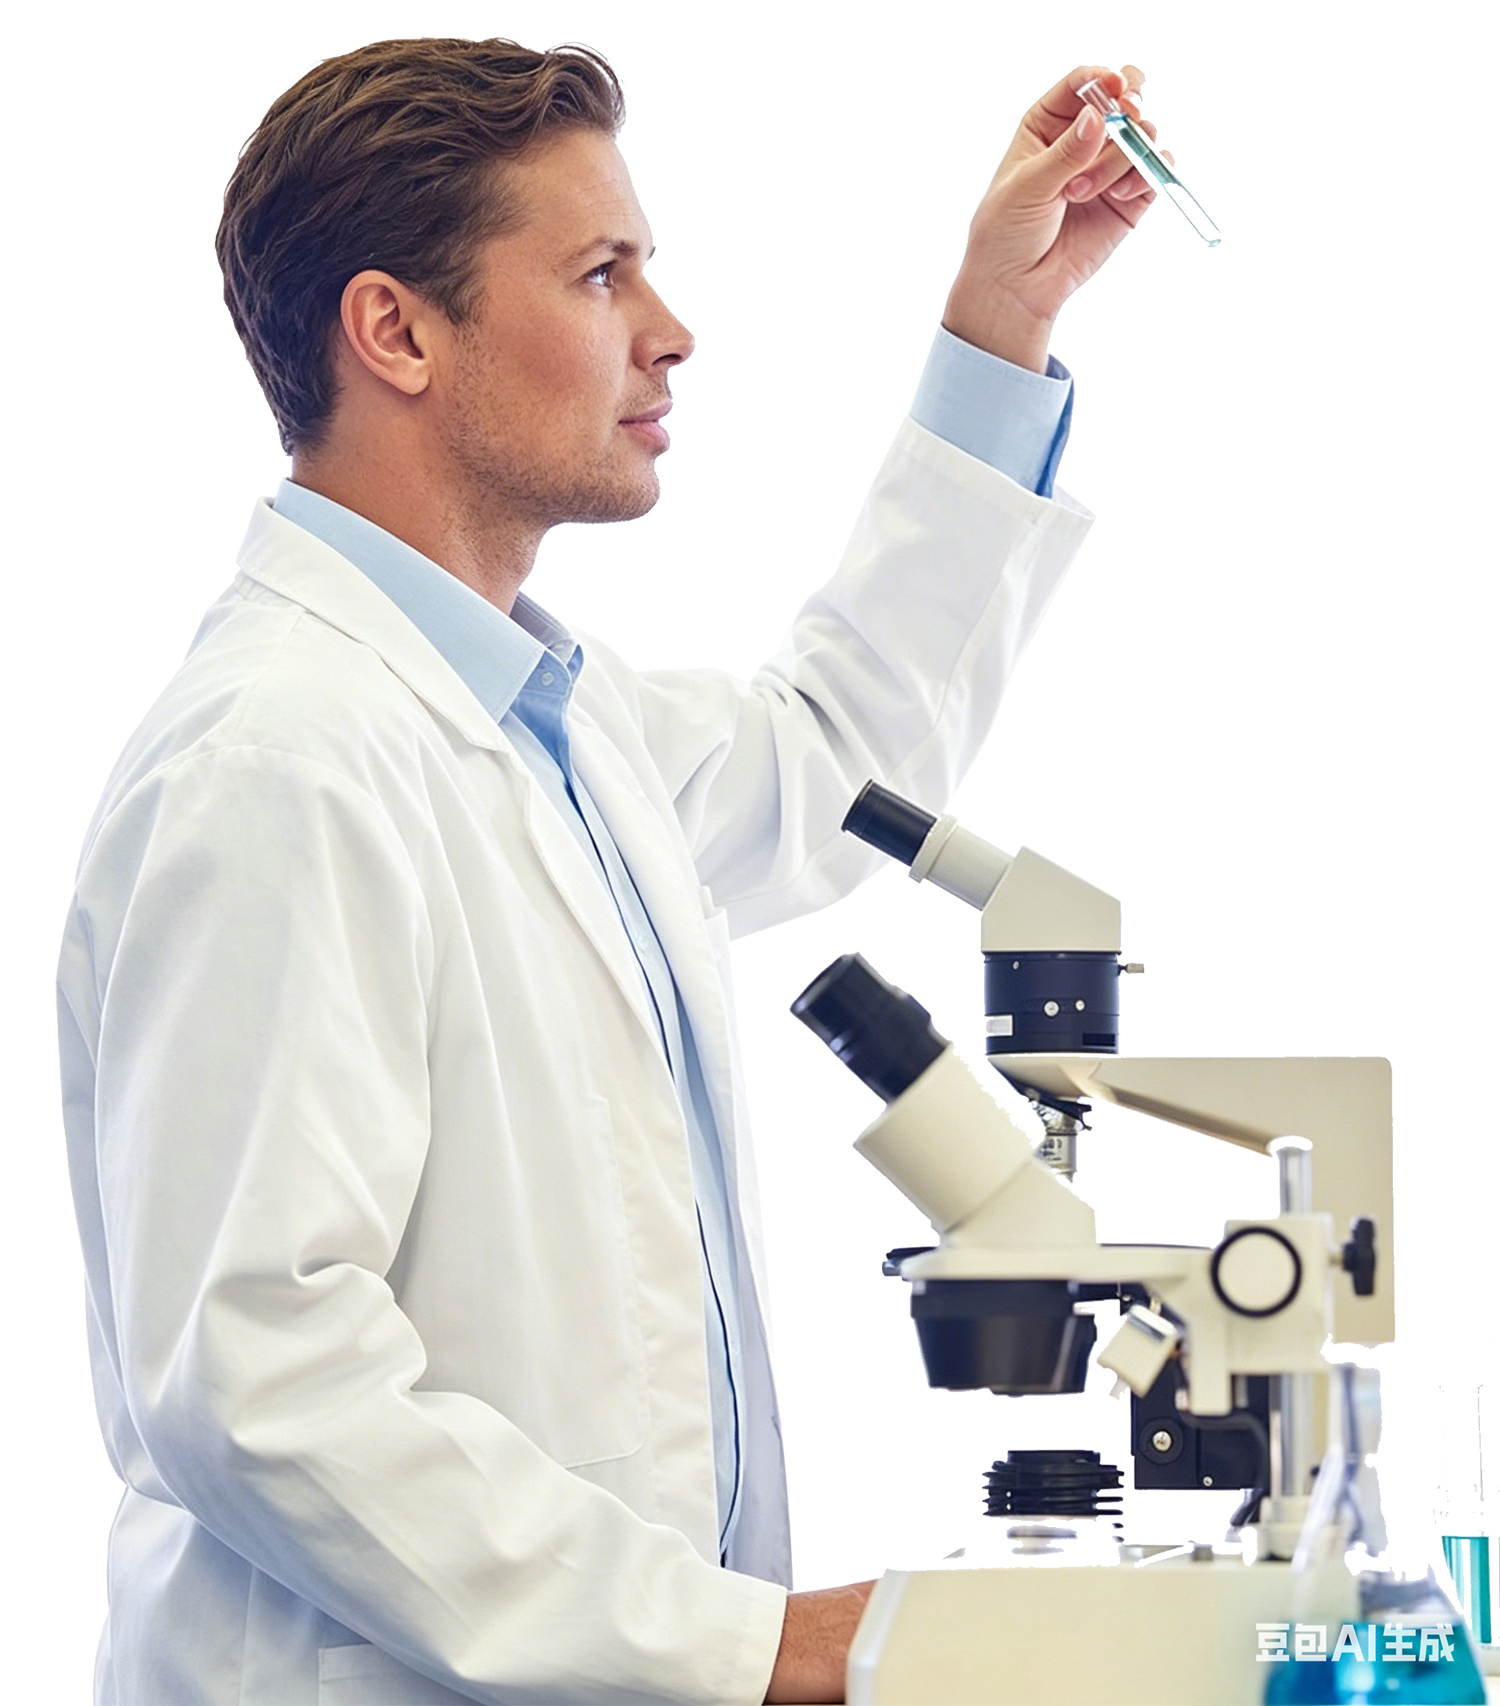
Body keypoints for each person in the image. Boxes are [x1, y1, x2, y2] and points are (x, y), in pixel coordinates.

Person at [56, 37, 1160, 1706]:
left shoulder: (548, 722)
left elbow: (831, 758)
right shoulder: (276, 765)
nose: (669, 328)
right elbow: (257, 1372)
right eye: (599, 273)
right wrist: (752, 1644)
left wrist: (1003, 321)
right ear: (395, 331)